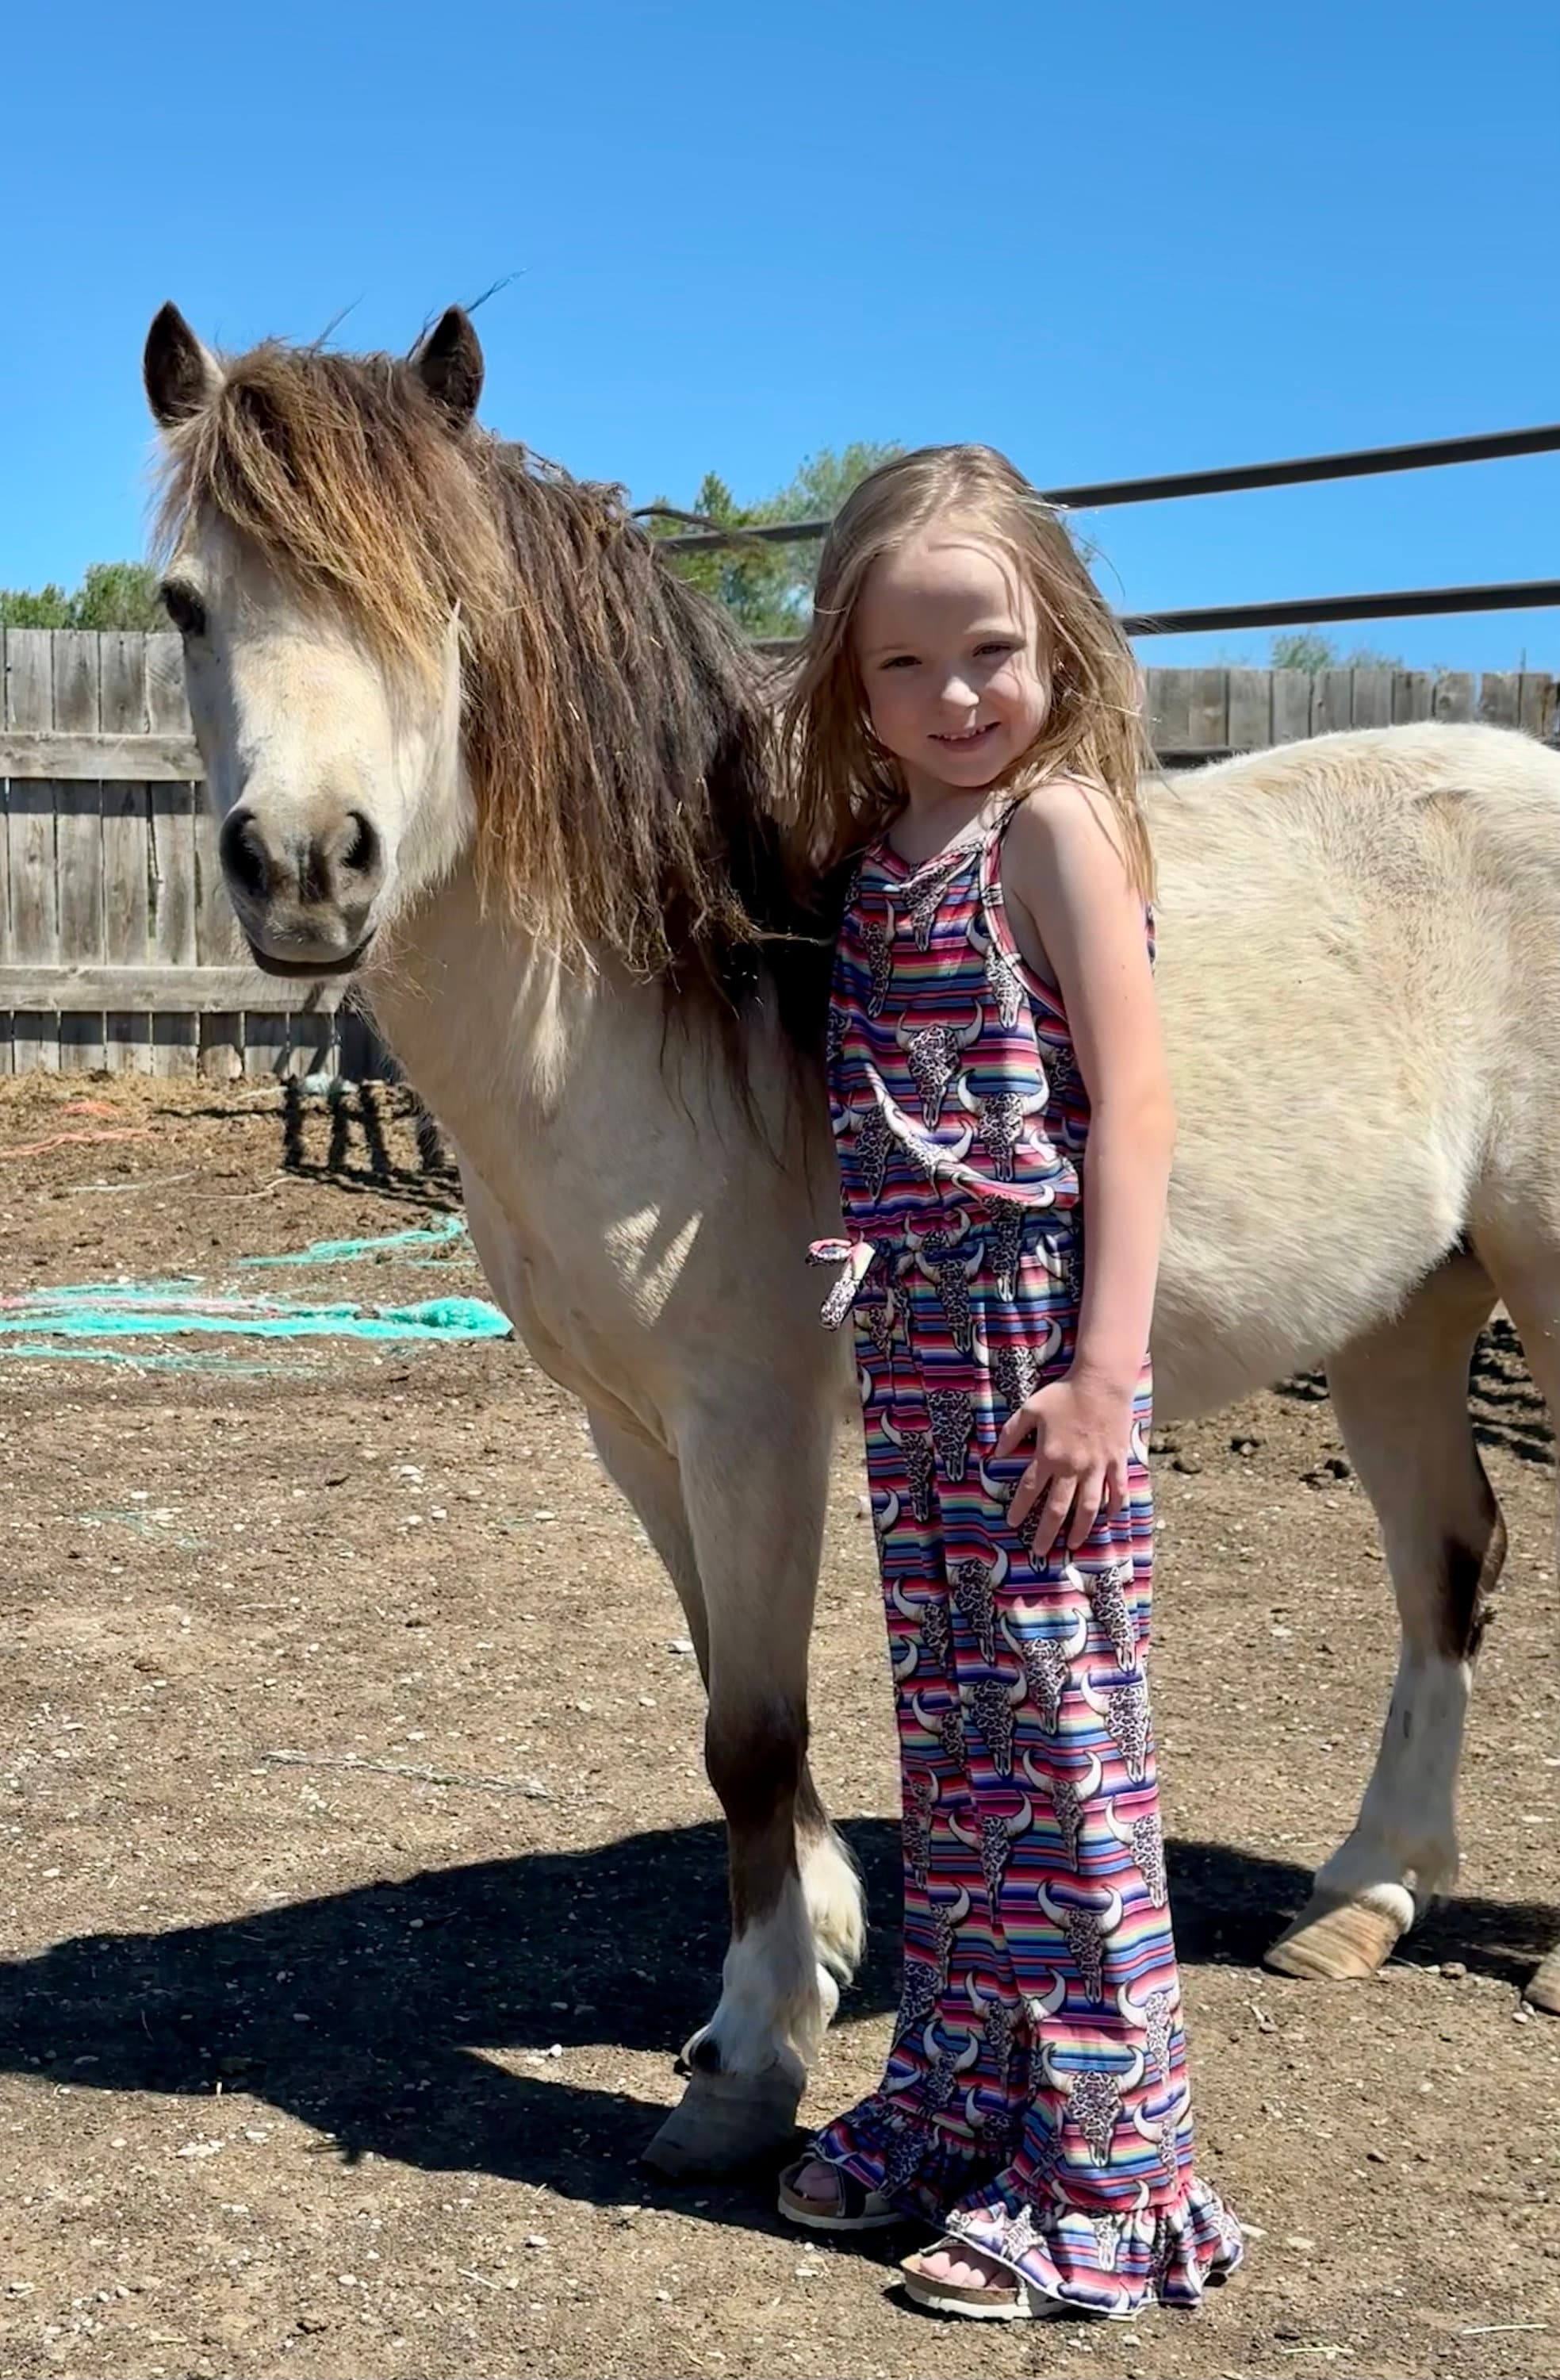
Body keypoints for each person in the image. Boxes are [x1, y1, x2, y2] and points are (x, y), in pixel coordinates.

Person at [776, 446, 1244, 2323]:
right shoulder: (871, 862)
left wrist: (1106, 1371)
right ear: (850, 682)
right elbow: (884, 1126)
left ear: (1056, 637)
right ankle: (965, 2091)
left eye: (989, 650)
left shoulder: (1056, 831)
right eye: (906, 667)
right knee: (957, 1758)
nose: (956, 696)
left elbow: (1130, 1105)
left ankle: (1119, 2174)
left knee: (1069, 1753)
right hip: (913, 1354)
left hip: (1041, 1350)